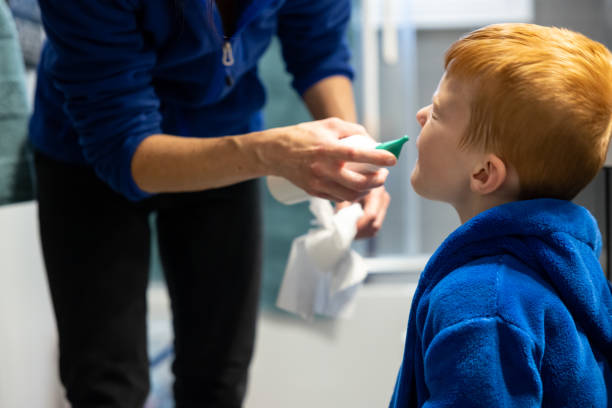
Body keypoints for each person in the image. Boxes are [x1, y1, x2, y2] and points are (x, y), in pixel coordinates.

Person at [29, 0, 397, 407]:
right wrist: (269, 153)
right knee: (105, 384)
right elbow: (124, 145)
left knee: (218, 381)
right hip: (90, 146)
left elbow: (319, 47)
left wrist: (353, 153)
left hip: (223, 123)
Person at [390, 23, 612, 407]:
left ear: (483, 173)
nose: (421, 114)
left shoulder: (482, 305)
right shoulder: (566, 267)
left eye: (440, 112)